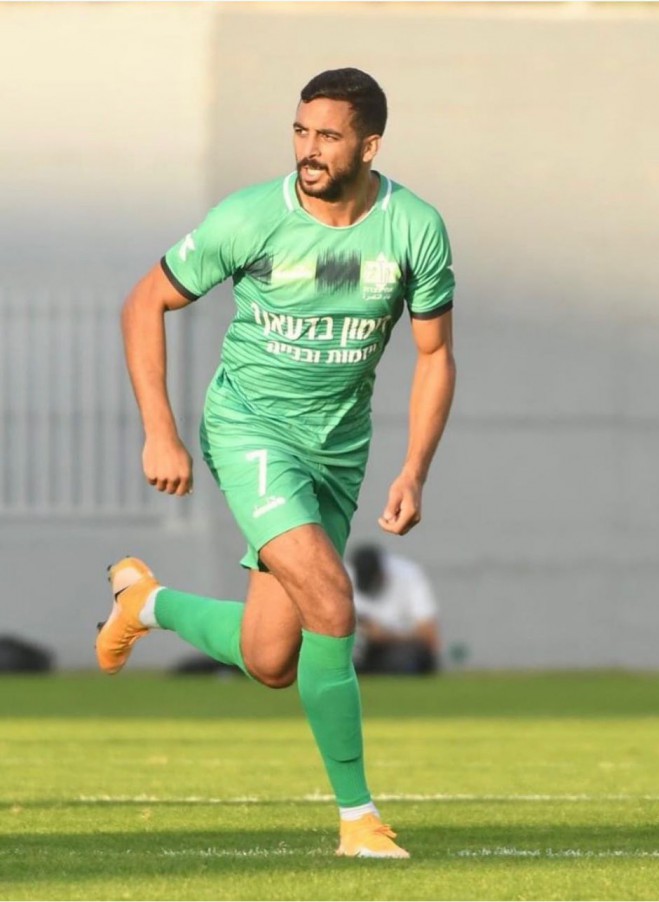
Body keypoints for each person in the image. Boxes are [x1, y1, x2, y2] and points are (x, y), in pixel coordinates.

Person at [96, 68, 455, 860]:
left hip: (338, 452)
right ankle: (359, 820)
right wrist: (160, 430)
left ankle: (146, 603)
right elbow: (143, 302)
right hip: (250, 432)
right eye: (300, 131)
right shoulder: (251, 217)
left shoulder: (414, 229)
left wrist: (414, 469)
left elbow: (435, 355)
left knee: (270, 659)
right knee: (332, 599)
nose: (308, 149)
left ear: (370, 145)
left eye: (328, 136)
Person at [348, 544, 440, 675]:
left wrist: (386, 636)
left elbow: (429, 635)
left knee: (406, 659)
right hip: (359, 647)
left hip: (397, 647)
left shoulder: (409, 574)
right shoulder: (343, 574)